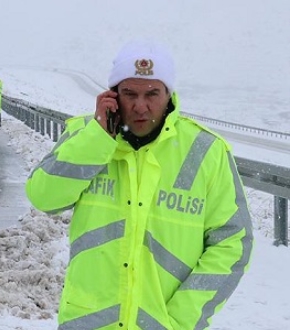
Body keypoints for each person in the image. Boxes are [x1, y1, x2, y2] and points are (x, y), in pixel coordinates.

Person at [25, 40, 253, 329]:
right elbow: (44, 198)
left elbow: (233, 242)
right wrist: (98, 138)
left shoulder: (207, 150)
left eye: (152, 94)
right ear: (112, 95)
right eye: (129, 93)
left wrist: (180, 320)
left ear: (169, 94)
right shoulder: (84, 137)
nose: (140, 106)